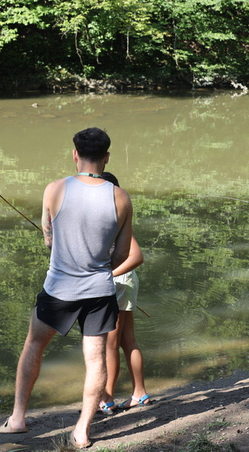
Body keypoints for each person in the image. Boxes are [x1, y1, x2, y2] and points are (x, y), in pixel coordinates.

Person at [0, 128, 134, 449]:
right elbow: (123, 253)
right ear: (107, 157)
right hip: (99, 291)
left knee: (34, 345)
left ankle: (17, 419)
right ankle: (82, 430)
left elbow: (49, 239)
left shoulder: (54, 189)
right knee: (96, 358)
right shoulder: (120, 197)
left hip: (59, 287)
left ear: (75, 154)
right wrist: (98, 263)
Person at [97, 172, 150, 414]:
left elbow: (137, 256)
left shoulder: (110, 218)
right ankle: (139, 393)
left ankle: (106, 398)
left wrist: (110, 274)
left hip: (117, 282)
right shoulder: (117, 215)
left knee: (111, 344)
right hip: (123, 281)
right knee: (128, 341)